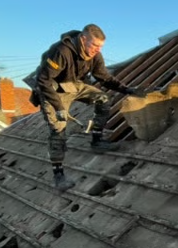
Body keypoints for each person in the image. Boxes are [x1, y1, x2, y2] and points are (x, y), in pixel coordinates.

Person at [27, 24, 137, 192]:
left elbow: (104, 77)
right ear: (83, 39)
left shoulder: (95, 54)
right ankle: (58, 175)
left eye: (100, 46)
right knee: (58, 129)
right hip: (52, 88)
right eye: (94, 45)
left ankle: (97, 140)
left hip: (75, 85)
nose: (97, 50)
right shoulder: (61, 51)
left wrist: (126, 89)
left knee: (103, 99)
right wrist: (58, 107)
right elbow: (43, 81)